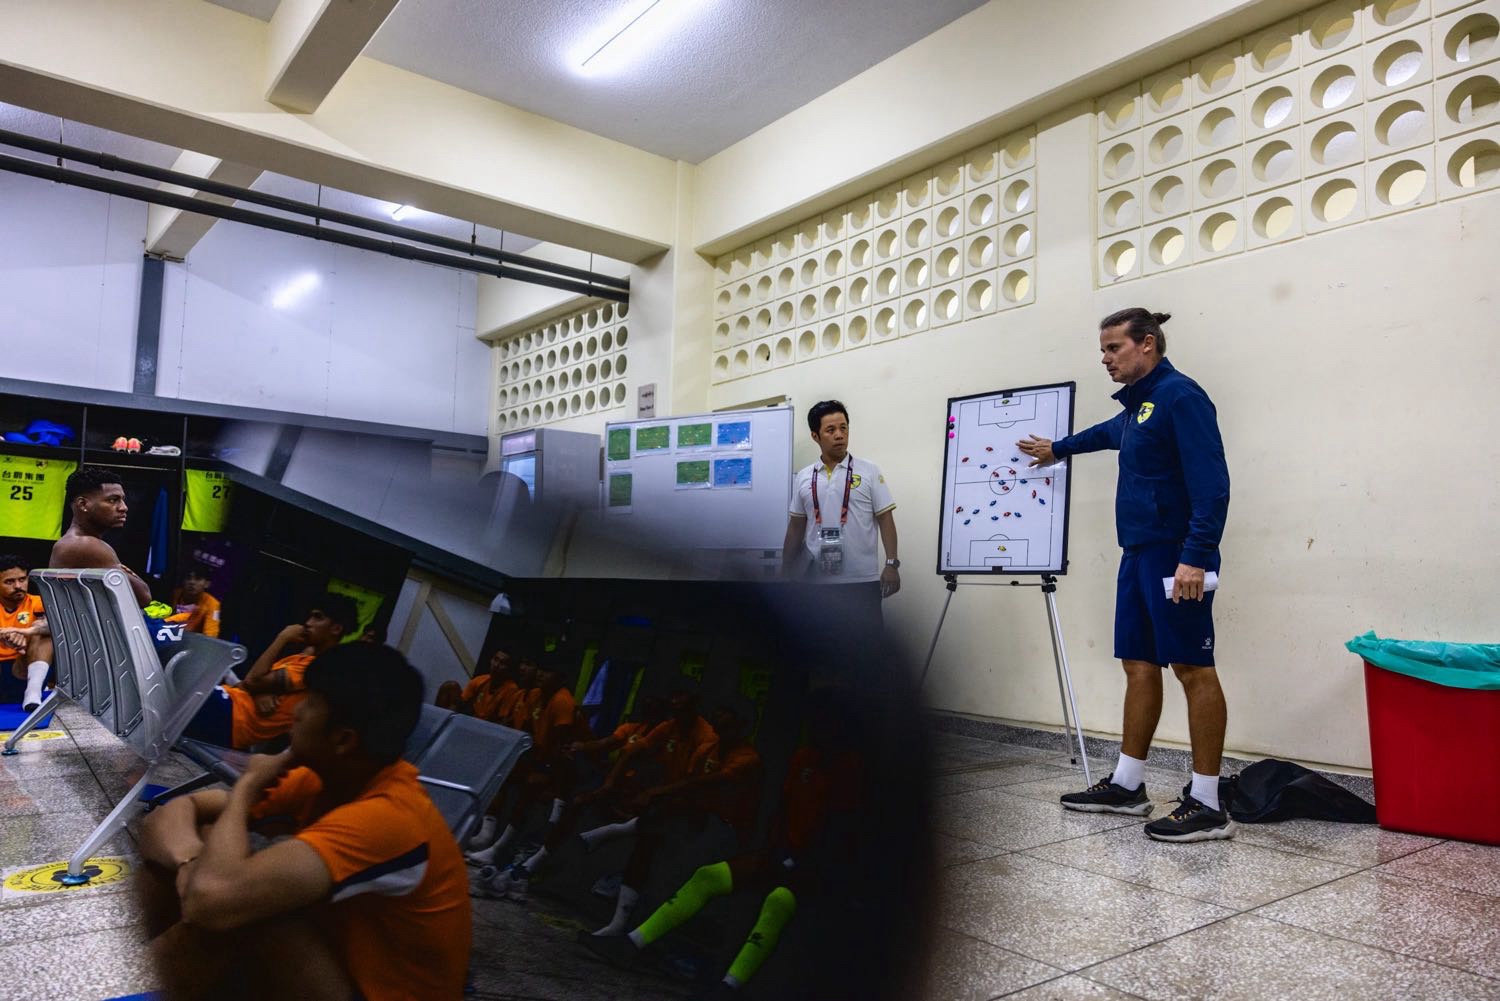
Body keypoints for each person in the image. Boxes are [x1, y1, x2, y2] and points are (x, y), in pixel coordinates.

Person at [139, 642, 471, 1000]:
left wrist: (247, 786)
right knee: (204, 851)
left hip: (377, 990)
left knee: (243, 911)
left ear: (343, 740)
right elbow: (168, 815)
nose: (295, 711)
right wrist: (188, 862)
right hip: (332, 965)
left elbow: (211, 903)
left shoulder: (390, 817)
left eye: (310, 703)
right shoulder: (322, 777)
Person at [1017, 308, 1234, 842]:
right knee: (1138, 664)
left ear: (1148, 344)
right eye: (1104, 350)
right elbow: (1111, 432)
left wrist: (1197, 555)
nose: (1105, 358)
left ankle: (1208, 802)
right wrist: (1058, 449)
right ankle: (1127, 784)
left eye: (1114, 348)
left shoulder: (1181, 396)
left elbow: (1213, 484)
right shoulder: (1142, 405)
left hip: (1176, 554)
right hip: (1137, 551)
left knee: (1192, 668)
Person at [581, 692, 864, 1000]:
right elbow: (784, 807)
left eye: (821, 721)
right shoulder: (804, 756)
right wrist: (774, 850)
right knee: (708, 875)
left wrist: (803, 863)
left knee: (779, 900)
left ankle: (729, 987)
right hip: (782, 851)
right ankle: (630, 944)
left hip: (815, 863)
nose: (813, 727)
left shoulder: (847, 767)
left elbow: (841, 827)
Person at [181, 594, 360, 750]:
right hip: (227, 703)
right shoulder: (301, 659)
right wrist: (259, 694)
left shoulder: (317, 668)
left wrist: (282, 637)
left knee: (169, 686)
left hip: (231, 719)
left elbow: (252, 681)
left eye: (317, 618)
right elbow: (246, 686)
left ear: (336, 629)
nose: (308, 623)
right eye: (310, 616)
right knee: (172, 677)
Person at [781, 401, 901, 629]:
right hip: (815, 582)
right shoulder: (805, 476)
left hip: (861, 581)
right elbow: (796, 527)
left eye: (843, 428)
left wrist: (892, 564)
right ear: (815, 436)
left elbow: (886, 519)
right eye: (831, 430)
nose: (839, 435)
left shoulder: (869, 471)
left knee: (865, 651)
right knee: (822, 653)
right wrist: (785, 571)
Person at [464, 658, 579, 873]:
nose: (541, 674)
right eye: (541, 669)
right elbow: (525, 730)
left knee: (531, 787)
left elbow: (561, 748)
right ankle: (484, 835)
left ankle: (500, 849)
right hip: (538, 757)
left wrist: (547, 776)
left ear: (560, 678)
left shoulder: (563, 702)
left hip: (564, 766)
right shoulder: (535, 695)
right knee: (503, 770)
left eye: (548, 671)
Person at [51, 467, 152, 607]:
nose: (123, 507)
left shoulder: (73, 541)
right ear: (83, 504)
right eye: (113, 500)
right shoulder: (86, 545)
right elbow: (144, 597)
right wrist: (123, 570)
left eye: (122, 500)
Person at [0, 556, 53, 712]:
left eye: (22, 579)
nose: (18, 586)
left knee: (45, 633)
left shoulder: (37, 602)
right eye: (9, 582)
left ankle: (33, 693)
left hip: (22, 670)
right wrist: (5, 636)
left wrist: (27, 632)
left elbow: (61, 628)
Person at [458, 647, 522, 723]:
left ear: (509, 669)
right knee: (450, 687)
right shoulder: (480, 680)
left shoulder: (511, 689)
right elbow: (461, 701)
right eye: (495, 659)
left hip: (491, 728)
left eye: (502, 663)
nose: (496, 665)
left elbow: (503, 721)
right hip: (473, 723)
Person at [167, 562, 222, 638]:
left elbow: (211, 635)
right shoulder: (175, 594)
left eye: (198, 579)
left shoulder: (213, 604)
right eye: (188, 578)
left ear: (207, 584)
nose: (192, 582)